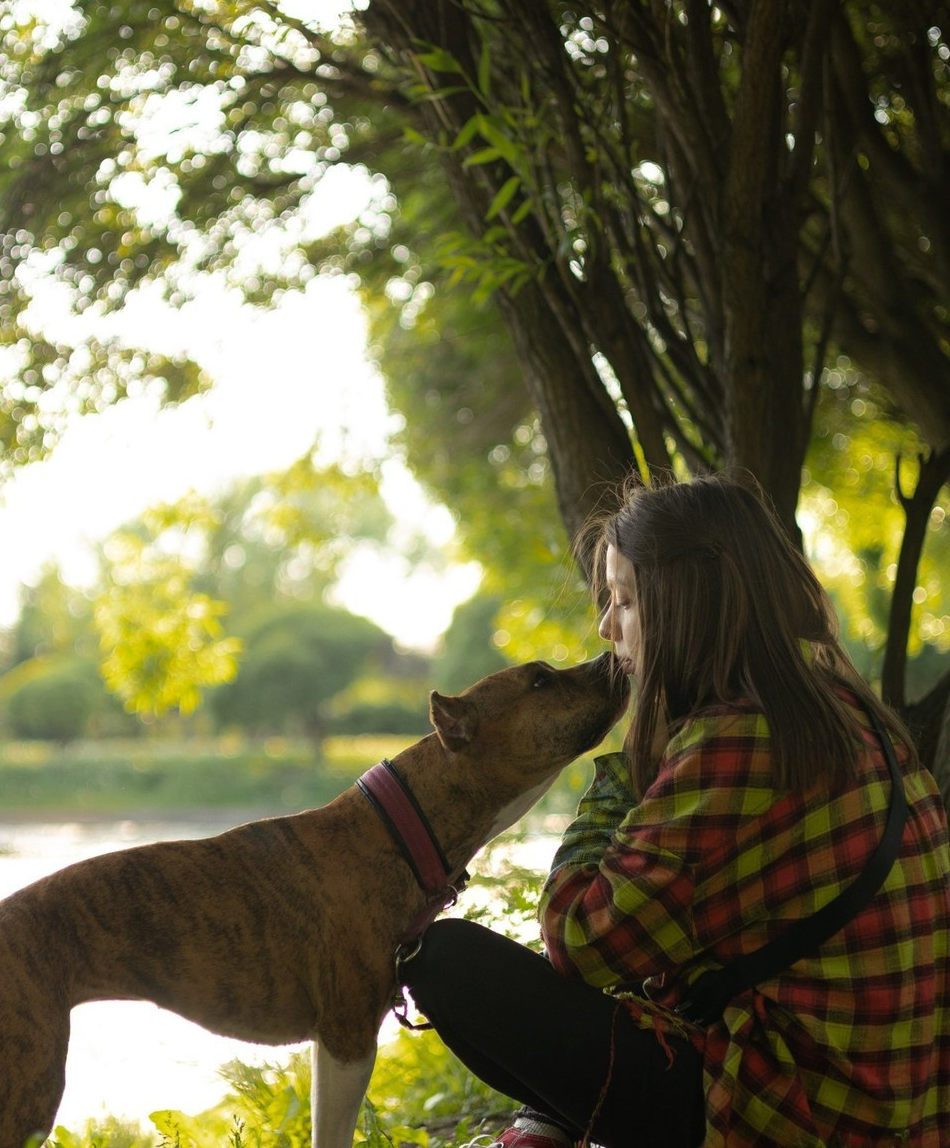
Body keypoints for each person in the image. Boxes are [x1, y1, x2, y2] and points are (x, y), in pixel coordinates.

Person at [399, 475, 950, 1148]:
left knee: (448, 961)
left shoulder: (743, 737)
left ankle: (546, 1125)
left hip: (799, 1115)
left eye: (625, 602)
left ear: (686, 606)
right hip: (888, 1105)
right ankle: (547, 1122)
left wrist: (618, 773)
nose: (607, 629)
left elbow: (580, 940)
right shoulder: (840, 702)